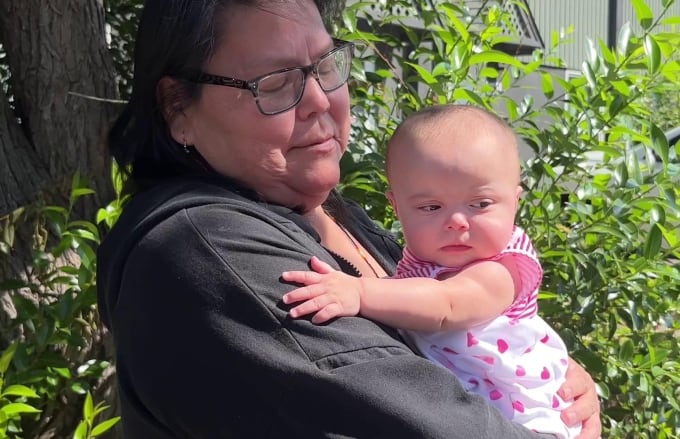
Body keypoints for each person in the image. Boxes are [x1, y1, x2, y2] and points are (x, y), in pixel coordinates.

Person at [96, 1, 602, 437]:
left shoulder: (332, 215)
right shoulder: (205, 251)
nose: (319, 100)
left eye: (324, 66)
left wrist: (547, 377)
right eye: (273, 83)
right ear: (178, 106)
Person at [282, 104, 580, 438]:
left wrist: (359, 292)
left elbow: (446, 305)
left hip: (524, 421)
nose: (456, 221)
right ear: (396, 207)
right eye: (431, 207)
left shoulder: (503, 269)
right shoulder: (424, 262)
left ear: (515, 201)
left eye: (480, 204)